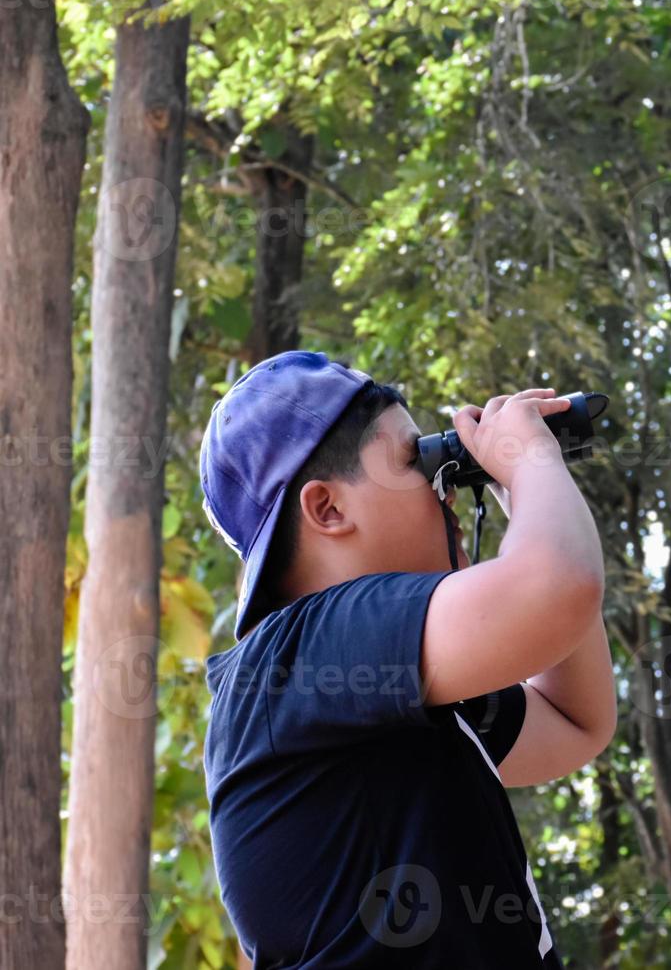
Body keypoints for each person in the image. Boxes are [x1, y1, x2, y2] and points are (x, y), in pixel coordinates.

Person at [199, 351, 613, 968]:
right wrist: (529, 462)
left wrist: (522, 497)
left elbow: (576, 721)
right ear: (328, 510)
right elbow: (557, 587)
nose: (443, 482)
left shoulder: (368, 686)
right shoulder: (302, 654)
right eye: (413, 462)